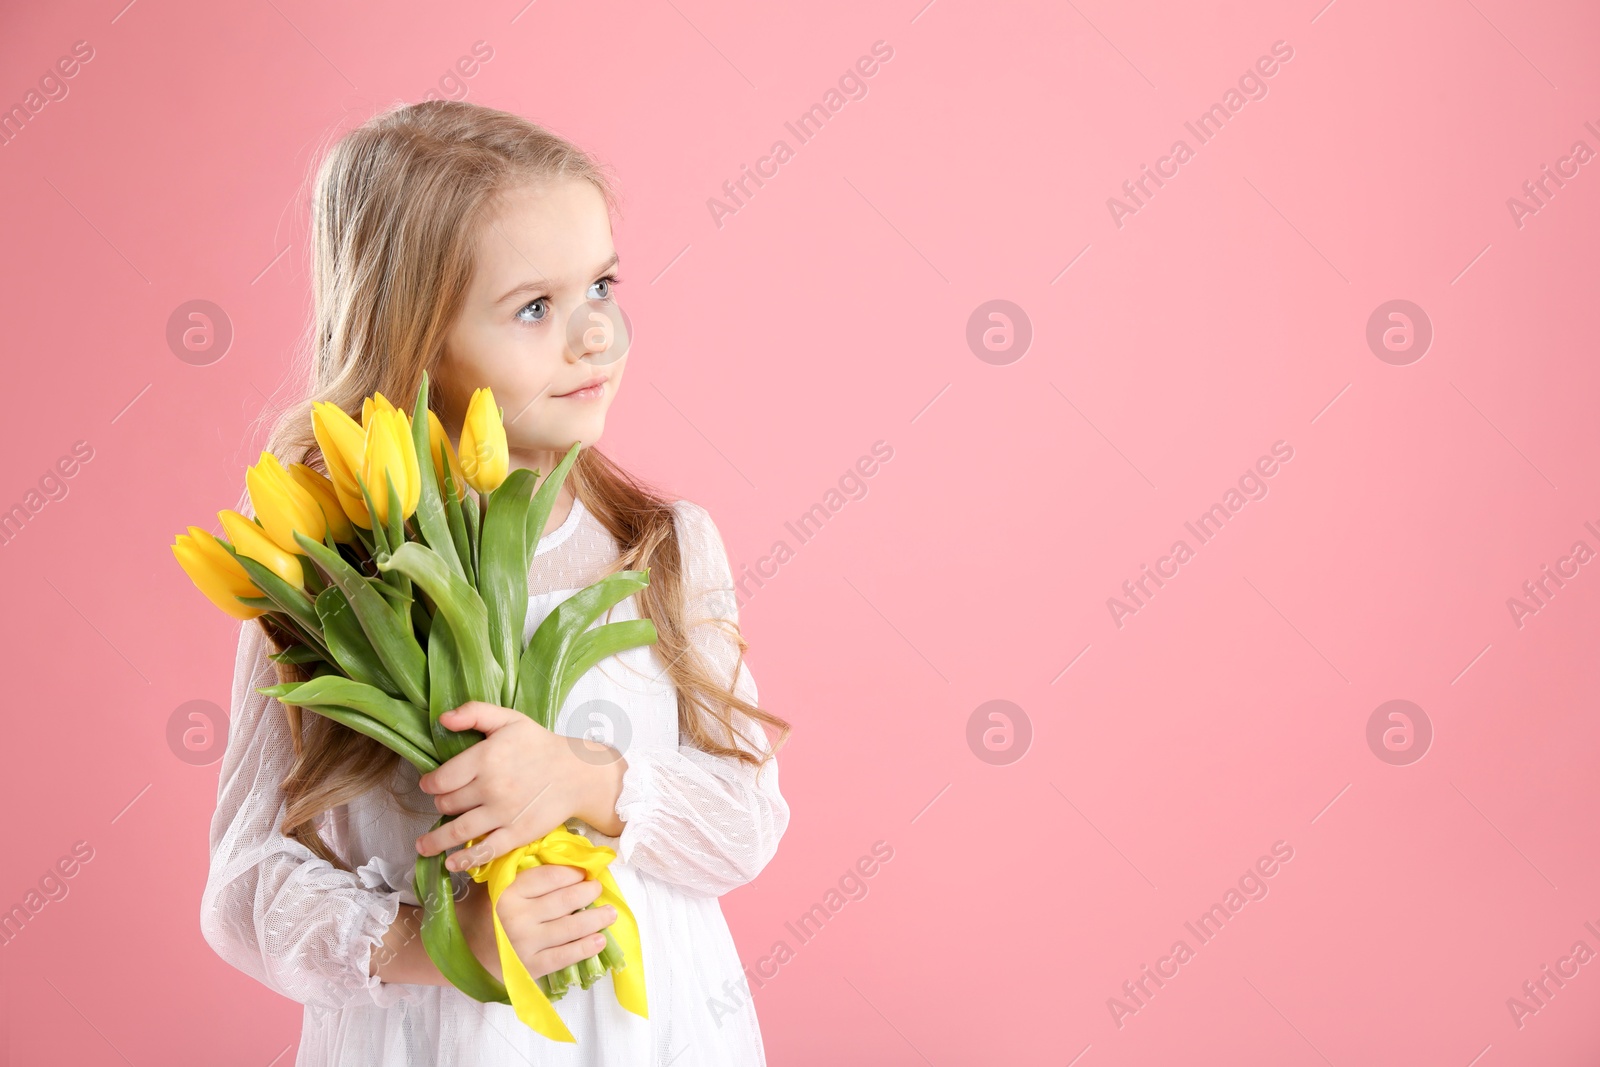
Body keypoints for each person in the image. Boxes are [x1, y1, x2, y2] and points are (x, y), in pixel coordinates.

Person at [199, 99, 792, 1065]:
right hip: (429, 1038)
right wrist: (442, 944)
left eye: (601, 284)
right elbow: (246, 883)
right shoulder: (324, 574)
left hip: (652, 1033)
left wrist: (585, 781)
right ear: (417, 339)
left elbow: (746, 825)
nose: (594, 335)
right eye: (534, 308)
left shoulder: (662, 546)